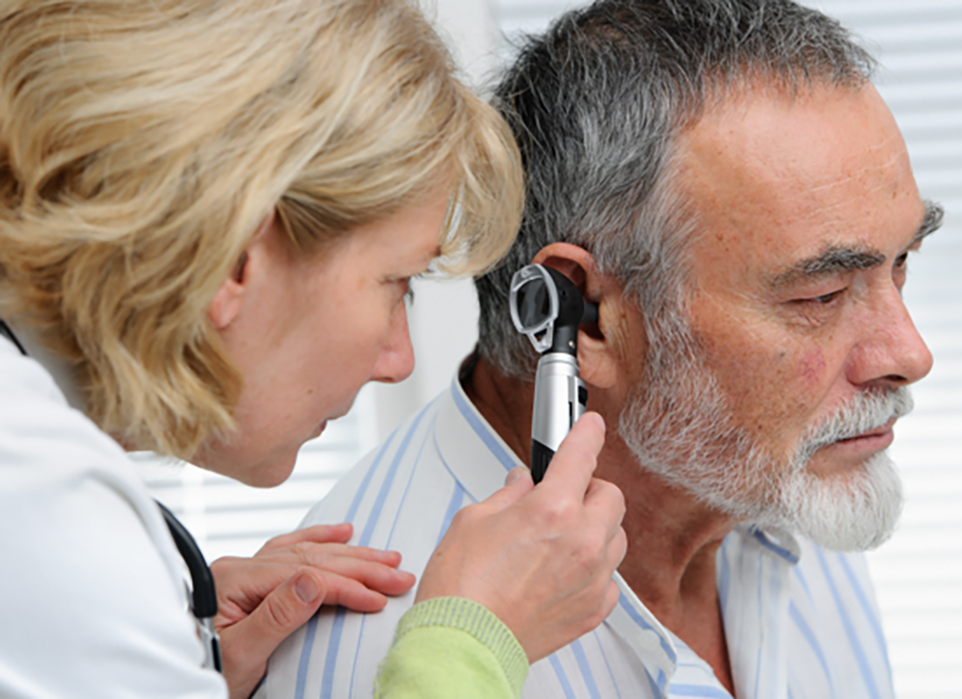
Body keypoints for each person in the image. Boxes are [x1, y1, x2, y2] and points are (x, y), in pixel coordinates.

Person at [262, 0, 946, 697]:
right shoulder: (369, 652)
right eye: (822, 296)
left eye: (901, 264)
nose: (909, 352)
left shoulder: (780, 476)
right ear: (586, 319)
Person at [0, 1, 627, 698]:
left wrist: (180, 655)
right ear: (229, 259)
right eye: (399, 284)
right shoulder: (51, 522)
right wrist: (468, 643)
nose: (400, 359)